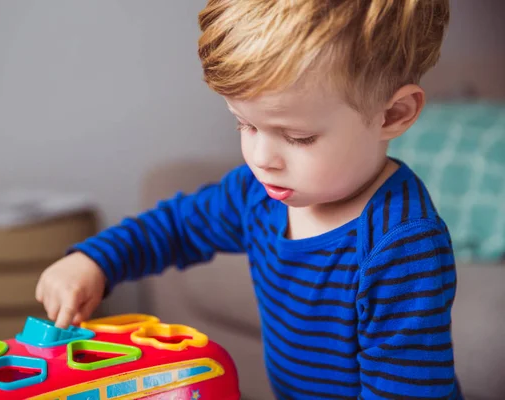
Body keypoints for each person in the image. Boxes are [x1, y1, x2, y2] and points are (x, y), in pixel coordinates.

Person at [36, 0, 462, 398]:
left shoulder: (402, 246)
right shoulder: (256, 195)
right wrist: (95, 261)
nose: (261, 159)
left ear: (394, 115)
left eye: (299, 137)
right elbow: (176, 227)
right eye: (245, 125)